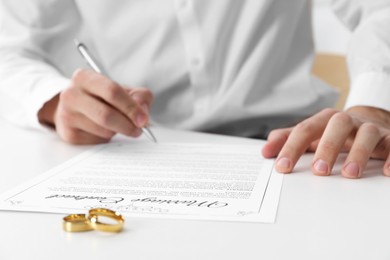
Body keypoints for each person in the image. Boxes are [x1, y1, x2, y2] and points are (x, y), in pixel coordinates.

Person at [0, 0, 388, 178]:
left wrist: (375, 102)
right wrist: (53, 100)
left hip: (292, 149)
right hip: (133, 148)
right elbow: (9, 46)